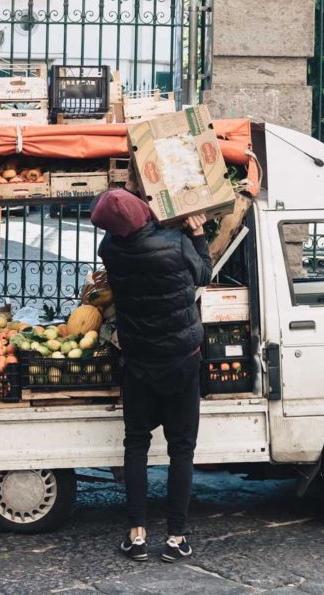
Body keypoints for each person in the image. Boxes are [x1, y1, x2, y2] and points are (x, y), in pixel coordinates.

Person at [90, 189, 211, 564]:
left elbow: (120, 229)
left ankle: (137, 535)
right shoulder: (175, 244)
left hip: (140, 362)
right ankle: (176, 537)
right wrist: (198, 234)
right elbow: (204, 273)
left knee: (136, 444)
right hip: (181, 359)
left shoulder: (110, 250)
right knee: (182, 449)